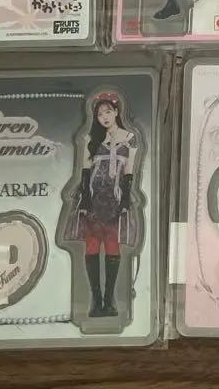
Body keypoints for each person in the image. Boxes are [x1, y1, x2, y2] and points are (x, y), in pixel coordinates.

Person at [66, 93, 141, 318]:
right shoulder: (92, 139)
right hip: (93, 198)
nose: (104, 117)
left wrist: (125, 201)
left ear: (117, 112)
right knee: (91, 244)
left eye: (108, 112)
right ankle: (95, 301)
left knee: (111, 244)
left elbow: (129, 173)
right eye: (100, 114)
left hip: (114, 200)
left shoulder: (130, 139)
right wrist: (85, 200)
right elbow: (85, 172)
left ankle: (109, 301)